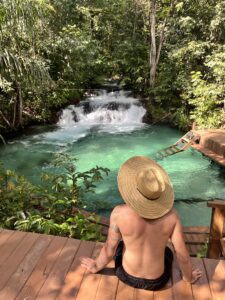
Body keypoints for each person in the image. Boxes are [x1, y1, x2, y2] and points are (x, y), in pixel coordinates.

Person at [81, 156, 202, 290]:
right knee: (169, 251)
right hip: (157, 281)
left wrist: (95, 266)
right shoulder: (172, 216)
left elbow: (110, 249)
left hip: (125, 275)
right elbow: (182, 254)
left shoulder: (118, 213)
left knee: (121, 244)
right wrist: (188, 277)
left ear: (135, 189)